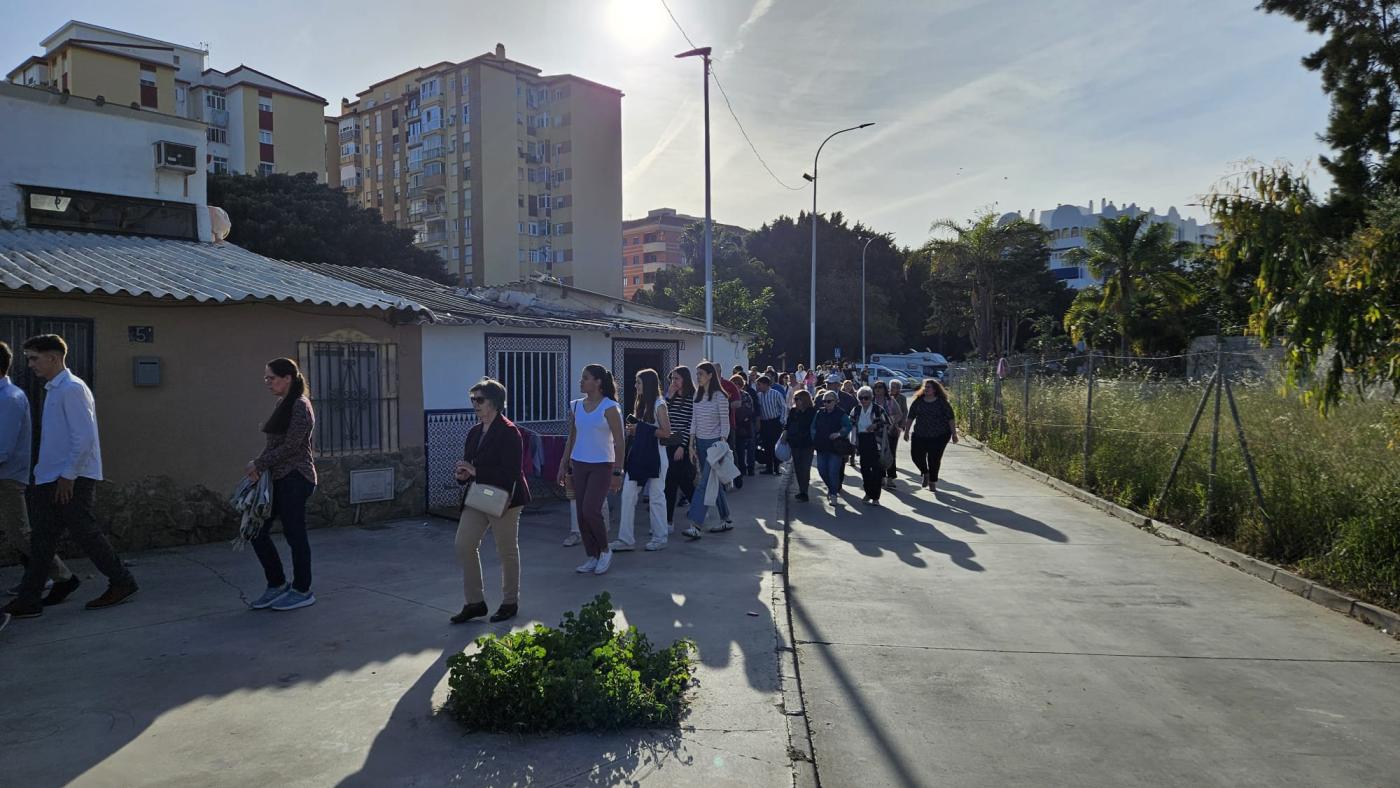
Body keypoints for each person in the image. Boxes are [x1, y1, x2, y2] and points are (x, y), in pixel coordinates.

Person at [4, 335, 136, 619]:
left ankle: (122, 581)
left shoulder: (72, 388)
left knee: (85, 534)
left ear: (53, 358)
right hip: (52, 477)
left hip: (70, 478)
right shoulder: (55, 389)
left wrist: (68, 475)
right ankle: (29, 599)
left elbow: (84, 436)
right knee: (42, 540)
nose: (30, 364)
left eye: (34, 358)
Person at [451, 378, 530, 624]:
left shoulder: (509, 432)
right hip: (478, 496)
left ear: (495, 403)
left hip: (505, 498)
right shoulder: (474, 432)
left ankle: (509, 602)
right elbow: (471, 464)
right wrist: (463, 474)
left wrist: (476, 472)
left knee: (506, 551)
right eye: (472, 400)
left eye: (480, 400)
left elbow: (511, 472)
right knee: (464, 544)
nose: (475, 404)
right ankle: (475, 602)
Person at [0, 341, 74, 599]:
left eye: (34, 359)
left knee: (19, 533)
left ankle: (63, 576)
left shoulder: (9, 398)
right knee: (18, 533)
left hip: (7, 477)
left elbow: (3, 448)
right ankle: (36, 578)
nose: (31, 364)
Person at [245, 358, 319, 611]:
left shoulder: (300, 405)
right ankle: (276, 584)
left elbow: (292, 446)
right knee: (256, 530)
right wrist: (260, 467)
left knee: (295, 535)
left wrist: (260, 463)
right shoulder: (282, 403)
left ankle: (302, 589)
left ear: (287, 378)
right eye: (266, 378)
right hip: (277, 479)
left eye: (271, 377)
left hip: (297, 478)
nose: (267, 382)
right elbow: (275, 445)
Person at [558, 364, 624, 575]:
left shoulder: (610, 406)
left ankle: (605, 551)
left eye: (585, 378)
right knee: (581, 514)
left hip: (602, 465)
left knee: (591, 510)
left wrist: (617, 472)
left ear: (597, 382)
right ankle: (592, 555)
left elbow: (620, 442)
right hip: (579, 464)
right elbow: (572, 436)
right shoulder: (576, 406)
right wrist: (563, 463)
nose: (581, 381)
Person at [612, 369, 672, 554]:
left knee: (656, 497)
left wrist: (641, 429)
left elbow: (666, 432)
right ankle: (625, 539)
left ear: (648, 384)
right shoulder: (642, 403)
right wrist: (635, 430)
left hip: (656, 456)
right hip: (640, 455)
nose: (635, 386)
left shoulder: (659, 404)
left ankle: (660, 537)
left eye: (638, 382)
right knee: (628, 494)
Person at [684, 362, 734, 538]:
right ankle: (726, 519)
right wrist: (691, 445)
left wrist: (721, 445)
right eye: (696, 374)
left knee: (704, 484)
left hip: (714, 445)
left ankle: (695, 525)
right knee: (714, 483)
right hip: (700, 443)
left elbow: (725, 423)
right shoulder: (697, 395)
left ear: (710, 375)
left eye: (701, 374)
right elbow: (694, 421)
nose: (698, 377)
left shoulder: (720, 396)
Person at [905, 378, 959, 490]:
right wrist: (906, 431)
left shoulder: (942, 402)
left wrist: (954, 434)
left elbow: (951, 418)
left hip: (939, 435)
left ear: (935, 389)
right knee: (916, 456)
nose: (926, 389)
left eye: (929, 387)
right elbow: (910, 416)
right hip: (920, 434)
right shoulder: (918, 401)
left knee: (934, 459)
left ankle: (932, 481)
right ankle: (925, 472)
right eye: (925, 387)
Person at [661, 366, 696, 537]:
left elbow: (690, 424)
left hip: (681, 444)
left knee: (677, 482)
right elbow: (662, 417)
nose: (673, 382)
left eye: (676, 379)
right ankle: (670, 521)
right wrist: (669, 395)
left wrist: (683, 446)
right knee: (676, 483)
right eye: (672, 379)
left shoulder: (692, 398)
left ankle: (670, 521)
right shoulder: (670, 397)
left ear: (685, 380)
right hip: (668, 442)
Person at [851, 385, 892, 506]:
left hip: (875, 441)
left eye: (866, 398)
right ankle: (868, 492)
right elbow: (850, 422)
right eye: (861, 398)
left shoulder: (877, 409)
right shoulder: (856, 409)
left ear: (871, 397)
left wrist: (875, 426)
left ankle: (875, 496)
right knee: (864, 469)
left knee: (876, 470)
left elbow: (887, 422)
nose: (864, 400)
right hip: (862, 441)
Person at [811, 391, 853, 506]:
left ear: (835, 401)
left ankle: (833, 494)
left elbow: (848, 426)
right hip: (821, 446)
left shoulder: (841, 413)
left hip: (835, 448)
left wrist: (839, 434)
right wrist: (814, 438)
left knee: (833, 471)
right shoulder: (819, 413)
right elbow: (813, 427)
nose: (826, 403)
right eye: (824, 401)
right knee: (822, 470)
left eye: (829, 401)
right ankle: (832, 488)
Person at [872, 380, 908, 491]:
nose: (878, 389)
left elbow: (899, 414)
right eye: (876, 387)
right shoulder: (871, 401)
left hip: (891, 431)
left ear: (884, 389)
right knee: (878, 454)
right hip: (876, 432)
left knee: (890, 454)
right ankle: (882, 476)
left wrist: (892, 424)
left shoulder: (890, 401)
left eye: (880, 387)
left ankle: (891, 478)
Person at [786, 390, 817, 501]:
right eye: (795, 399)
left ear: (804, 399)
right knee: (798, 468)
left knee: (805, 467)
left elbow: (813, 427)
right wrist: (785, 433)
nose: (796, 401)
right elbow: (788, 424)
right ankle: (801, 490)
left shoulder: (812, 412)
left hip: (807, 444)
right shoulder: (793, 411)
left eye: (797, 399)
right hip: (795, 443)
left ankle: (804, 491)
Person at [754, 376, 787, 475]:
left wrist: (781, 421)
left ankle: (776, 468)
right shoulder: (759, 396)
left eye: (759, 384)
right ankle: (769, 468)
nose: (758, 387)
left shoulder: (775, 394)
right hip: (764, 423)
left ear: (765, 384)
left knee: (775, 446)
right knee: (767, 446)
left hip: (774, 422)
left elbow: (784, 407)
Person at [730, 374, 757, 479]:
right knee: (737, 449)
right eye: (734, 383)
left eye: (738, 383)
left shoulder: (745, 395)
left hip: (744, 425)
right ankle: (740, 469)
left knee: (747, 448)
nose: (736, 385)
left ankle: (749, 468)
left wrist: (740, 419)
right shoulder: (728, 395)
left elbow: (749, 409)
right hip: (732, 425)